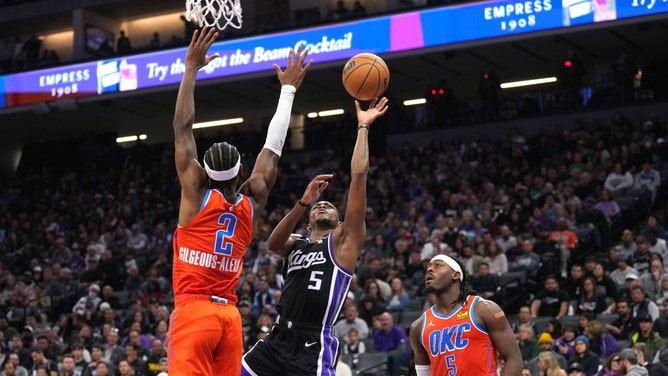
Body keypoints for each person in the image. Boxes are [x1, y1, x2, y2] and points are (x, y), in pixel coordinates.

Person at [169, 27, 312, 376]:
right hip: (230, 318)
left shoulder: (194, 195)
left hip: (194, 311)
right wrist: (288, 90)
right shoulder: (253, 200)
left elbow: (182, 127)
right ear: (242, 171)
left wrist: (190, 70)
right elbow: (273, 148)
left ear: (202, 172)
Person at [241, 96, 389, 376]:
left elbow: (358, 176)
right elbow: (272, 244)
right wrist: (303, 202)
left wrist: (363, 128)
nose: (324, 205)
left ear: (340, 221)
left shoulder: (345, 240)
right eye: (319, 206)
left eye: (330, 206)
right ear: (308, 224)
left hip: (313, 342)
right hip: (277, 338)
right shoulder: (297, 243)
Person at [409, 254, 523, 376]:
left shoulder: (485, 309)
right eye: (428, 267)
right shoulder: (418, 327)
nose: (430, 269)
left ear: (456, 275)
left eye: (438, 265)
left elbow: (514, 360)